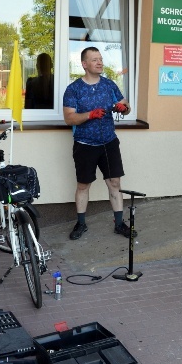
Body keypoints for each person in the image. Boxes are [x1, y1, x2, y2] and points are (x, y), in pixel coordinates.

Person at [62, 47, 134, 240]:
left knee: (115, 182)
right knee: (84, 185)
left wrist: (123, 107)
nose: (100, 62)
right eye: (95, 60)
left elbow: (126, 107)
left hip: (109, 142)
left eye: (101, 59)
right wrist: (89, 115)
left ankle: (119, 224)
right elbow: (69, 119)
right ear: (84, 64)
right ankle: (81, 223)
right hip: (84, 144)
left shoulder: (109, 85)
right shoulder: (73, 89)